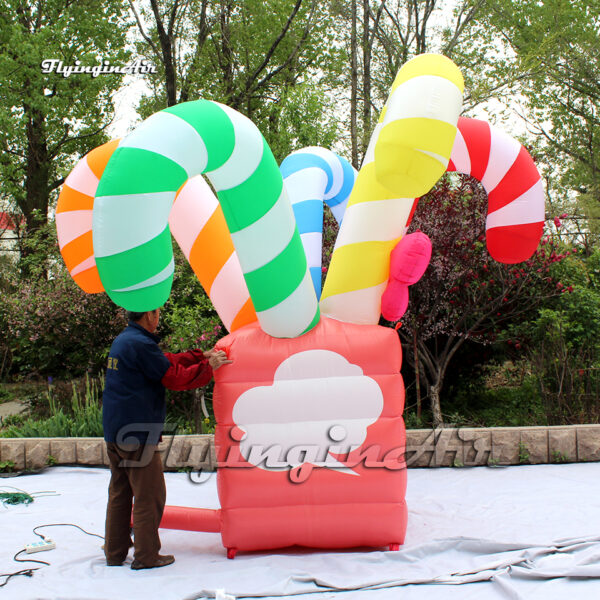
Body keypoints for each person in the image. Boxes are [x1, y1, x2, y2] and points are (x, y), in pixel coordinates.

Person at [102, 308, 231, 570]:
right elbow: (173, 377)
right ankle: (147, 555)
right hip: (137, 434)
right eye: (157, 312)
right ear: (149, 315)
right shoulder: (140, 344)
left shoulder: (125, 339)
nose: (159, 317)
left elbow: (165, 360)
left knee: (120, 491)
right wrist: (209, 366)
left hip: (116, 430)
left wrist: (200, 356)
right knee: (150, 495)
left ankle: (114, 553)